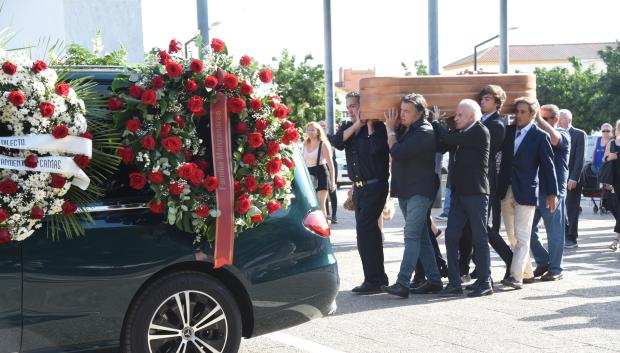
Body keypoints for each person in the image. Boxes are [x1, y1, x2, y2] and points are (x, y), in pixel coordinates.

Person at [381, 93, 443, 298]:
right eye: (401, 110)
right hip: (407, 189)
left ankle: (403, 282)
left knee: (411, 235)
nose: (402, 114)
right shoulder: (408, 130)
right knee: (423, 236)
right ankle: (434, 280)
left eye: (406, 111)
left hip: (420, 190)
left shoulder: (424, 131)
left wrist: (391, 131)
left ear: (419, 113)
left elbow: (398, 152)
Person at [431, 99, 493, 297]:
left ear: (472, 117)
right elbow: (443, 143)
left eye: (460, 115)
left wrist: (435, 121)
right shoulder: (461, 132)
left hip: (476, 193)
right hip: (459, 194)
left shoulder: (479, 131)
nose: (456, 118)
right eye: (455, 115)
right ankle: (455, 282)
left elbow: (448, 139)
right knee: (451, 235)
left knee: (479, 237)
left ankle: (485, 281)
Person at [497, 97, 558, 289]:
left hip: (526, 191)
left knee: (523, 236)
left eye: (523, 112)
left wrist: (552, 193)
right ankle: (528, 273)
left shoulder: (540, 136)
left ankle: (516, 277)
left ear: (533, 115)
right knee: (512, 235)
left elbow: (548, 167)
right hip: (505, 190)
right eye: (517, 111)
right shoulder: (507, 133)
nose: (518, 115)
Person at [334, 91, 390, 294]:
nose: (350, 110)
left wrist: (368, 125)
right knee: (369, 234)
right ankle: (376, 278)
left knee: (365, 231)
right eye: (348, 107)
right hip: (358, 189)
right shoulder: (350, 128)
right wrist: (357, 124)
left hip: (376, 186)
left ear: (364, 106)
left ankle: (374, 280)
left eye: (354, 106)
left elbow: (378, 151)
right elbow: (336, 141)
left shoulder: (379, 128)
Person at [458, 85, 513, 283]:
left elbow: (485, 151)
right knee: (470, 227)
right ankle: (468, 268)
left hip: (484, 182)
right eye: (481, 99)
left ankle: (509, 258)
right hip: (472, 180)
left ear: (498, 103)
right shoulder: (481, 121)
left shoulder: (496, 125)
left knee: (481, 227)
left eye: (487, 99)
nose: (483, 101)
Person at [529, 104, 571, 281]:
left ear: (555, 120)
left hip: (553, 192)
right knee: (526, 230)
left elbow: (554, 139)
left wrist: (538, 120)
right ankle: (543, 261)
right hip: (535, 189)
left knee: (554, 232)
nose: (541, 122)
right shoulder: (536, 136)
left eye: (546, 119)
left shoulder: (564, 134)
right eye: (540, 118)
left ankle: (556, 268)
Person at [558, 109, 586, 249]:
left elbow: (580, 159)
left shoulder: (579, 134)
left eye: (561, 118)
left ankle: (572, 237)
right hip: (558, 179)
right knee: (559, 209)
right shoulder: (555, 134)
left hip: (572, 179)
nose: (558, 120)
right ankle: (564, 234)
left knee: (572, 209)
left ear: (569, 120)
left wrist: (574, 178)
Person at [303, 122, 336, 220]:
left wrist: (332, 181)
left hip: (321, 173)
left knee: (320, 203)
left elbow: (330, 164)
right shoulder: (305, 143)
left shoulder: (323, 144)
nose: (310, 132)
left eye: (313, 130)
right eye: (308, 130)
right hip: (309, 174)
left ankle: (323, 228)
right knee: (309, 203)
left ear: (318, 132)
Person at [602, 119, 620, 251]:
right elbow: (604, 158)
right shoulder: (612, 143)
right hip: (616, 180)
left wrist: (617, 155)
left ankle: (616, 239)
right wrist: (609, 157)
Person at [319, 120, 339, 224]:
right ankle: (327, 214)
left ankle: (334, 215)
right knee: (324, 191)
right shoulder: (318, 139)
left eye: (324, 126)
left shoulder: (330, 138)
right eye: (321, 126)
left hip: (332, 165)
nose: (323, 127)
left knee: (332, 190)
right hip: (322, 166)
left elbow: (333, 150)